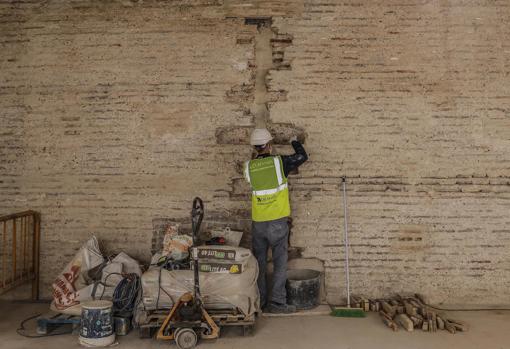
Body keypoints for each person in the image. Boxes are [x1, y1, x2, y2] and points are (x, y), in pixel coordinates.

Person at [244, 128, 308, 313]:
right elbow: (302, 156)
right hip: (277, 223)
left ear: (255, 148)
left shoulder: (248, 167)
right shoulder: (280, 163)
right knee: (280, 262)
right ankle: (277, 303)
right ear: (270, 146)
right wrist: (295, 141)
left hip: (259, 223)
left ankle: (260, 302)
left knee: (260, 264)